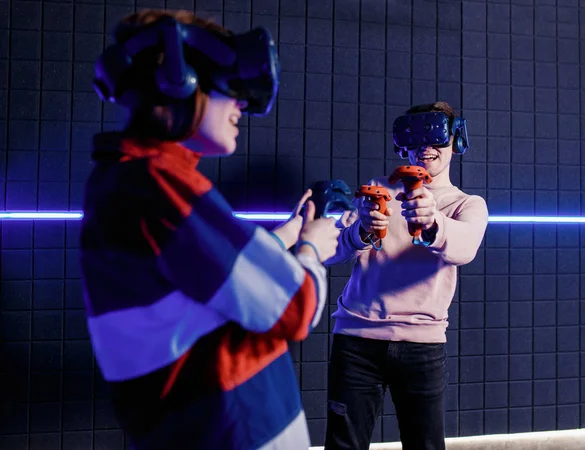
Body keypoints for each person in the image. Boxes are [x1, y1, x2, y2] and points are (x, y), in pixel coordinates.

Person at [79, 9, 340, 450]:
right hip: (235, 430)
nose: (240, 103)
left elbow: (195, 284)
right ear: (179, 80)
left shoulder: (123, 180)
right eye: (229, 85)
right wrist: (312, 250)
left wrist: (290, 233)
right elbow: (296, 307)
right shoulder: (160, 184)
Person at [324, 101, 489, 450]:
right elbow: (332, 251)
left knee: (425, 446)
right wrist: (362, 233)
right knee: (344, 446)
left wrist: (433, 223)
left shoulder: (466, 205)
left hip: (422, 346)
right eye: (415, 137)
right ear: (402, 143)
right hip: (356, 341)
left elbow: (464, 249)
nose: (425, 147)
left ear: (456, 140)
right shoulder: (377, 190)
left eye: (436, 135)